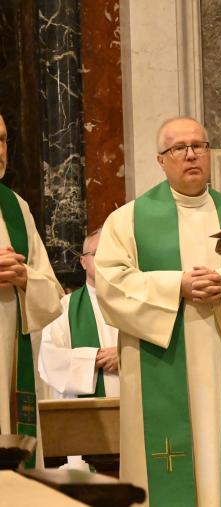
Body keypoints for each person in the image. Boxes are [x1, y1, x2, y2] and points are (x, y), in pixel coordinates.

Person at [94, 117, 221, 506]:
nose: (191, 155)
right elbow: (110, 285)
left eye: (199, 146)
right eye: (178, 148)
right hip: (159, 364)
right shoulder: (128, 220)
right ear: (161, 160)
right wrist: (177, 287)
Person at [0, 112, 63, 447]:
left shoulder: (16, 207)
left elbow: (52, 293)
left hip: (10, 362)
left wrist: (26, 279)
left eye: (2, 140)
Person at [39, 228, 119, 399]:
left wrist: (125, 357)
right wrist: (94, 358)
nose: (105, 259)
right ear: (83, 262)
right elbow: (49, 358)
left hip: (134, 403)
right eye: (97, 253)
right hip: (84, 411)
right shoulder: (64, 307)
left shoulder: (135, 303)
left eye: (110, 253)